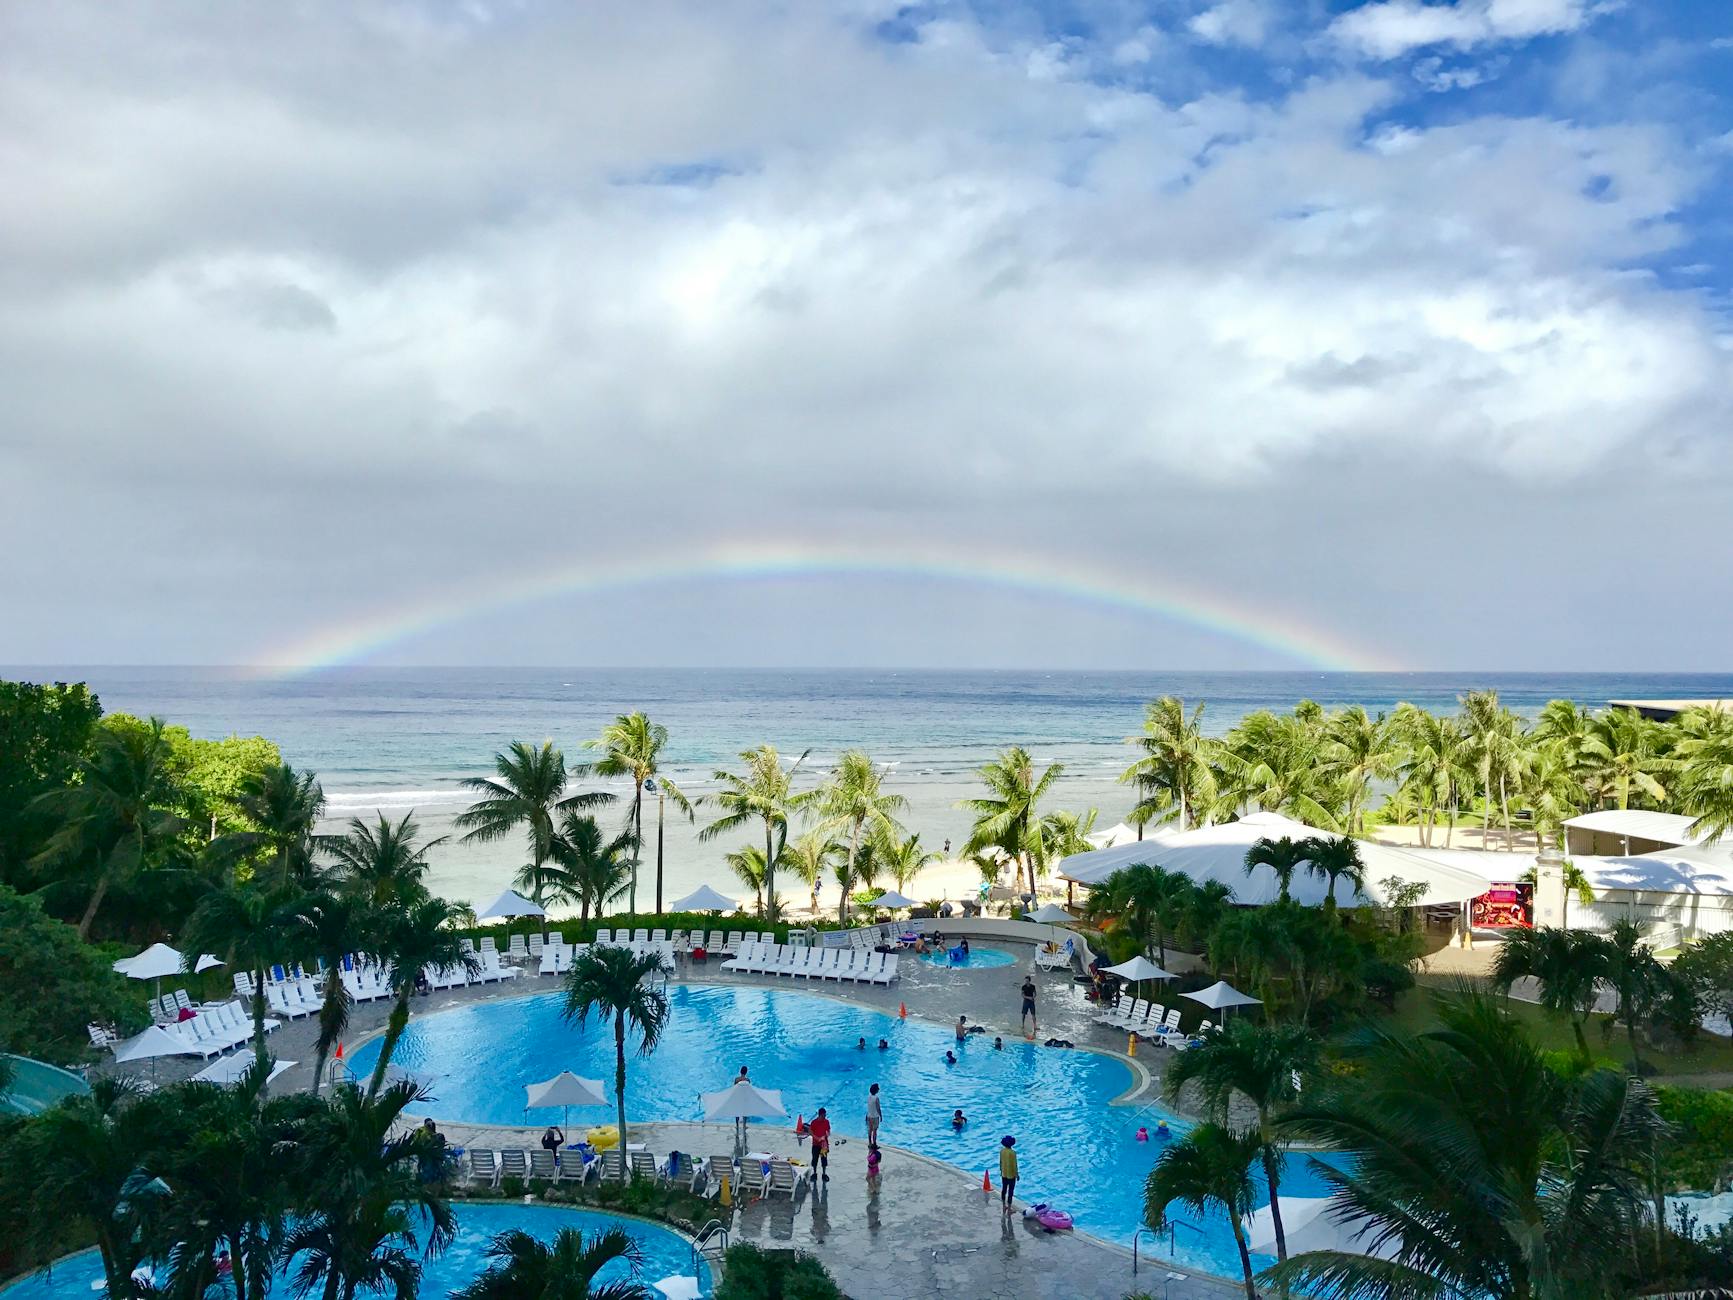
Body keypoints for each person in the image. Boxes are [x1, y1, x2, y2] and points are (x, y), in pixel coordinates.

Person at [809, 1106, 832, 1181]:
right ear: (820, 1115)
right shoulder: (814, 1122)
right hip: (815, 1144)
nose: (825, 1117)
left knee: (824, 1159)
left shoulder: (826, 1122)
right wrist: (817, 1138)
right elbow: (811, 1132)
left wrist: (824, 1136)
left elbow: (828, 1132)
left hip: (823, 1145)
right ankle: (815, 1173)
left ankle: (824, 1174)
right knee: (815, 1159)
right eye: (824, 1115)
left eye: (825, 1115)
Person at [999, 1136, 1019, 1211]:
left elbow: (1000, 1162)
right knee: (1010, 1191)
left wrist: (1001, 1171)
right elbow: (1014, 1165)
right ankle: (1009, 1208)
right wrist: (1017, 1175)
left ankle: (1004, 1206)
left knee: (1004, 1189)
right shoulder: (1012, 1153)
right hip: (1011, 1175)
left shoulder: (1002, 1151)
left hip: (1004, 1174)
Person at [866, 1083, 882, 1147]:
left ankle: (870, 1143)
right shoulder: (876, 1098)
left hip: (869, 1116)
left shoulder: (868, 1097)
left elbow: (869, 1107)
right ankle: (874, 1144)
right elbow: (878, 1108)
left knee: (870, 1130)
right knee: (875, 1131)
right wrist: (881, 1116)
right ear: (876, 1090)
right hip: (875, 1116)